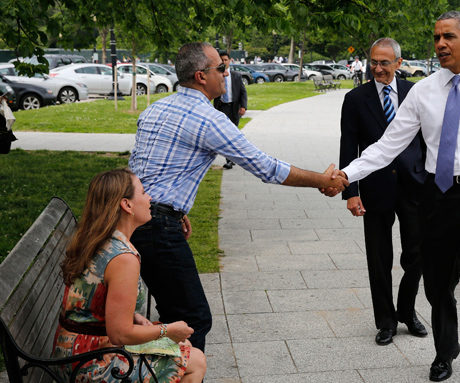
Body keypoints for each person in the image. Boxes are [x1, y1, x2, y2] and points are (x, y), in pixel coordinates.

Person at [331, 11, 460, 382]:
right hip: (438, 199)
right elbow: (387, 146)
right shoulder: (423, 91)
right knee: (438, 288)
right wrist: (346, 176)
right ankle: (446, 349)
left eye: (449, 37)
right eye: (436, 37)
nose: (440, 44)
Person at [129, 42, 349, 352]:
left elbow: (141, 168)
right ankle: (183, 373)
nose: (226, 72)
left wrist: (172, 209)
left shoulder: (156, 108)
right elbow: (266, 167)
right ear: (201, 76)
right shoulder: (209, 119)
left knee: (175, 315)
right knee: (193, 319)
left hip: (135, 220)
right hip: (157, 229)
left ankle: (167, 370)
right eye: (220, 68)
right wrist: (322, 180)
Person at [52, 169, 207, 383]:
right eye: (143, 193)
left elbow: (93, 302)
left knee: (185, 348)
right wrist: (167, 330)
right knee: (196, 360)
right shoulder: (123, 258)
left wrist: (135, 318)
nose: (150, 198)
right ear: (127, 205)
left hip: (72, 352)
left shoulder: (99, 240)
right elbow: (120, 335)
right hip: (92, 364)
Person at [339, 37, 428, 346]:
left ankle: (407, 308)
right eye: (373, 62)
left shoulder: (415, 93)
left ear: (398, 63)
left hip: (414, 186)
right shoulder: (355, 99)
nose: (377, 68)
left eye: (384, 62)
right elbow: (349, 146)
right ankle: (386, 321)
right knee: (378, 258)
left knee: (418, 253)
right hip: (375, 188)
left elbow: (427, 138)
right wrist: (350, 190)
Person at [214, 51, 247, 170]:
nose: (223, 62)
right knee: (226, 135)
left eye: (225, 60)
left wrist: (243, 106)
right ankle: (229, 160)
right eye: (221, 60)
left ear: (229, 61)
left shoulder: (236, 75)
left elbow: (243, 92)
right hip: (221, 107)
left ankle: (235, 157)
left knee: (234, 134)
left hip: (234, 108)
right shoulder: (216, 75)